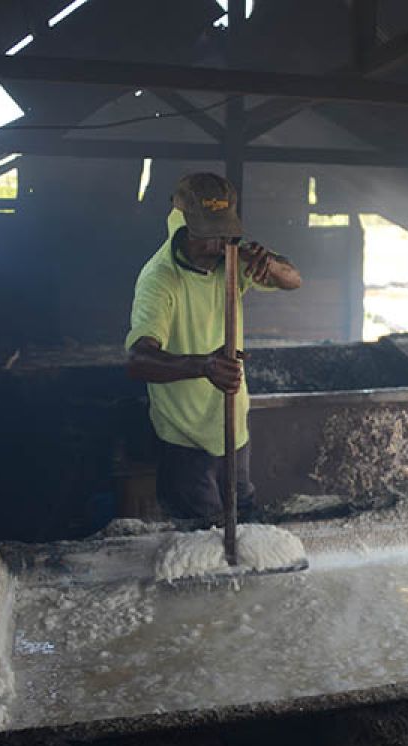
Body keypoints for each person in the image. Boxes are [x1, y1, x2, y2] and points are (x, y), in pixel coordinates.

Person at [125, 173, 302, 520]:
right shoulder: (159, 279)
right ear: (181, 226)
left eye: (223, 234)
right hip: (185, 439)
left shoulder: (232, 259)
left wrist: (271, 265)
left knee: (245, 520)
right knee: (203, 539)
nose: (217, 245)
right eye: (206, 236)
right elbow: (137, 360)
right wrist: (203, 367)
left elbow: (294, 280)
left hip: (233, 428)